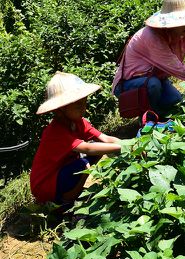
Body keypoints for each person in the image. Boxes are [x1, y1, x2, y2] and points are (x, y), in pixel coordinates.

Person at [30, 72, 121, 206]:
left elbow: (104, 138)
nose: (83, 108)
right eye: (78, 105)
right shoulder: (55, 132)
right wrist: (122, 147)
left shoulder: (79, 122)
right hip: (46, 183)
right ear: (61, 109)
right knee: (83, 164)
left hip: (63, 171)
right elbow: (87, 148)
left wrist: (130, 144)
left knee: (95, 154)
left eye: (84, 103)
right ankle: (66, 201)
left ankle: (70, 193)